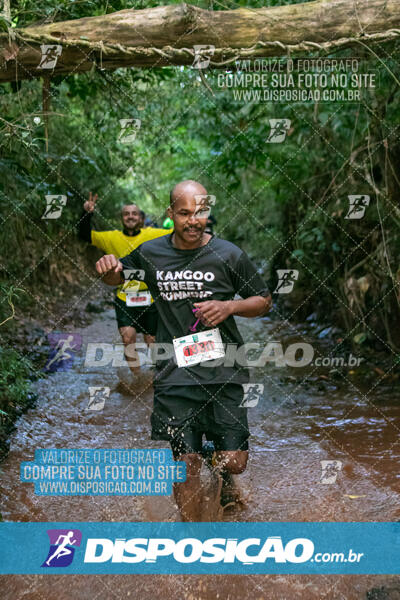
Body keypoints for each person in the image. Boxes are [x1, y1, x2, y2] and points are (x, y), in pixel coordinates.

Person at [95, 180, 272, 521]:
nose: (193, 220)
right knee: (185, 463)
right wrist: (108, 269)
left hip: (224, 370)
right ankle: (192, 542)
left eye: (200, 212)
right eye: (185, 213)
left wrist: (229, 308)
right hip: (174, 374)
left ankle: (217, 467)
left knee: (235, 462)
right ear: (170, 214)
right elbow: (117, 278)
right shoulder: (151, 253)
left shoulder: (228, 254)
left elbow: (263, 301)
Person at [78, 192, 170, 384]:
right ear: (121, 218)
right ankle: (138, 380)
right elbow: (84, 235)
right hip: (124, 298)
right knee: (128, 339)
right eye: (126, 214)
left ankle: (157, 378)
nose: (130, 216)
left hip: (151, 298)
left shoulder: (153, 234)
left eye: (134, 214)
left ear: (141, 218)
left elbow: (180, 233)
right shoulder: (111, 237)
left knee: (152, 341)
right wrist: (86, 214)